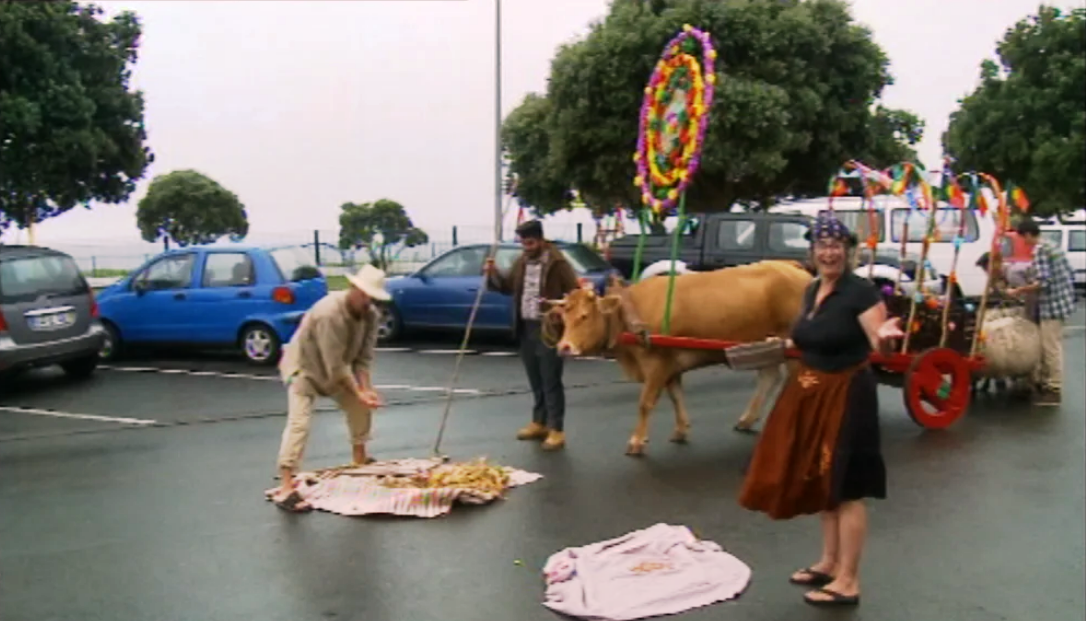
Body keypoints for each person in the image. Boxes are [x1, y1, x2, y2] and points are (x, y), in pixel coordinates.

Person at [737, 213, 904, 607]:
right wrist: (779, 344)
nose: (829, 253)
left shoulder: (861, 293)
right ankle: (829, 562)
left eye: (836, 246)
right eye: (822, 246)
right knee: (824, 480)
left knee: (847, 487)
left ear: (848, 251)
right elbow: (808, 336)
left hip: (847, 394)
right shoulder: (813, 289)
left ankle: (849, 580)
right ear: (813, 252)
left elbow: (881, 348)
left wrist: (885, 339)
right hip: (811, 392)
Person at [267, 264, 390, 512]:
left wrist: (366, 390)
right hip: (305, 367)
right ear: (352, 288)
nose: (367, 302)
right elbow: (336, 366)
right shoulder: (329, 313)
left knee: (359, 407)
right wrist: (358, 392)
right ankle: (286, 485)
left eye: (371, 297)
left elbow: (363, 358)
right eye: (364, 295)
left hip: (337, 370)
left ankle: (359, 461)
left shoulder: (370, 315)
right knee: (299, 423)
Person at [483, 219, 580, 450]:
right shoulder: (522, 261)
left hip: (548, 329)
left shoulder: (557, 263)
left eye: (530, 243)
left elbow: (574, 294)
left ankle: (556, 429)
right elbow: (506, 287)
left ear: (540, 239)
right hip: (525, 326)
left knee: (550, 379)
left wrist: (561, 309)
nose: (526, 247)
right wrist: (492, 273)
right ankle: (539, 422)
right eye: (523, 243)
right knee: (535, 378)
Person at [1005, 217, 1076, 406]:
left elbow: (1043, 282)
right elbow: (1068, 273)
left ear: (1028, 235)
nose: (1023, 242)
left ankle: (1053, 390)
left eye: (1022, 238)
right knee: (1051, 346)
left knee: (1050, 348)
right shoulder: (1052, 245)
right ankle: (1046, 384)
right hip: (1061, 302)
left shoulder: (1041, 250)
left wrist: (1018, 290)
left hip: (1052, 305)